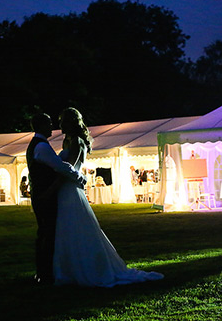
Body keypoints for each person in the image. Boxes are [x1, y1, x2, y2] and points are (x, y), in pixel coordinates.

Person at [53, 107, 163, 287]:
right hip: (65, 188)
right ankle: (69, 269)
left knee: (77, 228)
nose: (60, 125)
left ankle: (86, 269)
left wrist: (54, 172)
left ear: (71, 122)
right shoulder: (68, 141)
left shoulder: (77, 142)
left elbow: (70, 168)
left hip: (70, 188)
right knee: (66, 228)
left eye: (63, 121)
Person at [26, 113, 85, 285]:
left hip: (43, 194)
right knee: (47, 233)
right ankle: (45, 273)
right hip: (45, 195)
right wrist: (81, 178)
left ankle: (44, 272)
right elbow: (60, 167)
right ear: (42, 126)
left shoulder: (38, 144)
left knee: (45, 233)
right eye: (50, 123)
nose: (53, 127)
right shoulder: (42, 146)